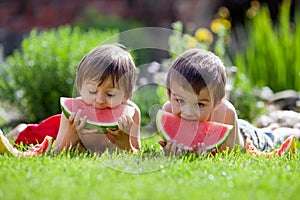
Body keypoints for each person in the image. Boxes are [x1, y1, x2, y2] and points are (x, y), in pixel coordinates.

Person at [159, 48, 299, 156]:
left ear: (217, 102)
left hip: (247, 135)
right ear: (169, 94)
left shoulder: (226, 113)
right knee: (268, 130)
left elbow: (230, 152)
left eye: (200, 104)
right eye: (179, 100)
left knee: (272, 136)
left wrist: (206, 155)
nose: (188, 112)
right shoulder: (167, 112)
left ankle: (289, 130)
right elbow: (172, 144)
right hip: (237, 127)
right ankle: (273, 127)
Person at [3, 44, 141, 154]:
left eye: (110, 94)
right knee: (27, 133)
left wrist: (125, 142)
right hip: (57, 129)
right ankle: (17, 130)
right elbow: (56, 152)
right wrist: (71, 135)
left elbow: (136, 152)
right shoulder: (71, 113)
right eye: (92, 91)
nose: (99, 100)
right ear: (80, 88)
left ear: (126, 95)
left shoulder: (131, 113)